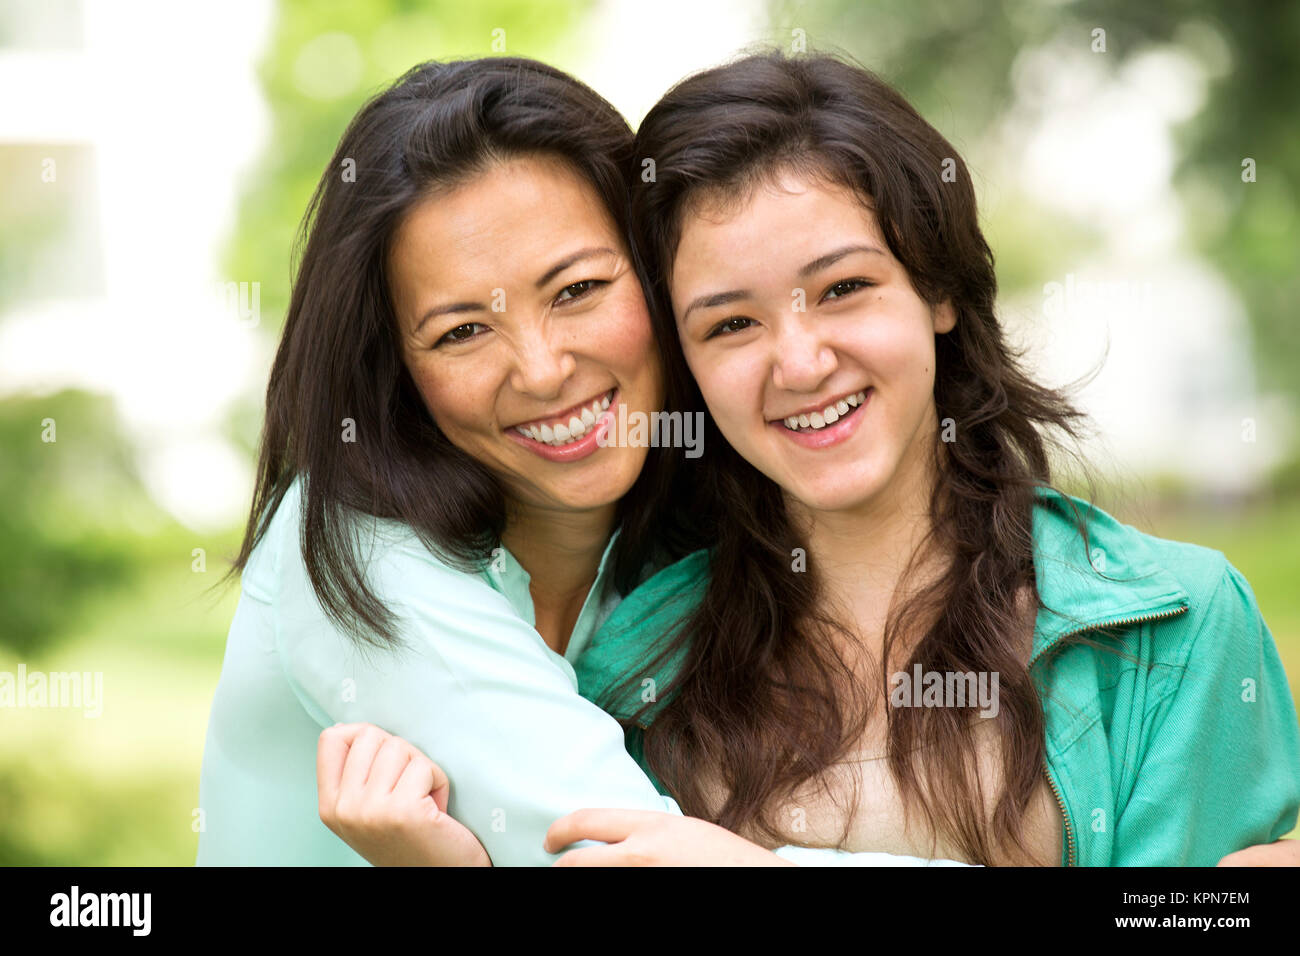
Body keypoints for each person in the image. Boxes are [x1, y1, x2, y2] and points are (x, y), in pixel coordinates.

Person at [323, 50, 1300, 867]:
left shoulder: (1166, 627)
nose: (798, 360)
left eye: (841, 288)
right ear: (686, 360)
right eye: (730, 321)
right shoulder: (640, 661)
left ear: (938, 290)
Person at [196, 55, 942, 867]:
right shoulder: (363, 556)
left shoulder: (686, 542)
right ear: (396, 371)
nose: (544, 370)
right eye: (461, 332)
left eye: (578, 289)